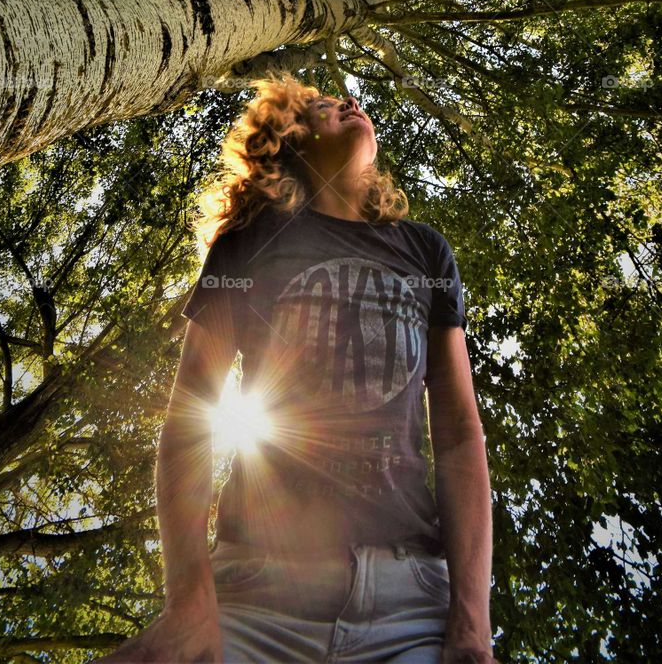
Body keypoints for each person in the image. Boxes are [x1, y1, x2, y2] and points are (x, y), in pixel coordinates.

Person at [95, 74, 496, 663]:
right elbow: (189, 419)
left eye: (350, 101)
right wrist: (189, 603)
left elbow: (459, 435)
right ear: (291, 139)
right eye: (326, 107)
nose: (351, 103)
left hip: (409, 603)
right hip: (255, 593)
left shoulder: (425, 251)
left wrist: (472, 624)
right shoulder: (248, 243)